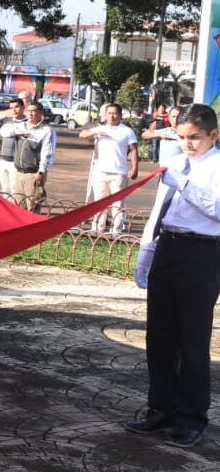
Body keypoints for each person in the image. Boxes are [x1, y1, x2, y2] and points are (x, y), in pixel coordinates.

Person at [129, 103, 220, 448]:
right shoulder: (178, 164)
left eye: (195, 137)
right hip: (169, 246)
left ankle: (191, 416)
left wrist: (183, 184)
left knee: (192, 339)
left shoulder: (216, 166)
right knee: (160, 335)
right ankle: (161, 408)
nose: (187, 143)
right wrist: (146, 253)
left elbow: (218, 210)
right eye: (182, 137)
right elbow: (158, 213)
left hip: (202, 251)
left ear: (214, 135)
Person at [80, 103, 139, 234]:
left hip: (119, 173)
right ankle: (97, 229)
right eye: (109, 113)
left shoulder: (127, 131)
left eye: (115, 113)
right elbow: (82, 135)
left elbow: (134, 150)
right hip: (101, 172)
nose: (112, 116)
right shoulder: (100, 128)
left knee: (117, 204)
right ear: (105, 115)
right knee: (100, 202)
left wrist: (134, 168)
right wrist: (95, 132)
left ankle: (116, 231)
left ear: (120, 115)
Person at [4, 101, 56, 211]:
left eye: (33, 111)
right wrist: (17, 133)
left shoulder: (46, 130)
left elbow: (47, 153)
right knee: (18, 207)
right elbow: (4, 131)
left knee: (32, 207)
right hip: (19, 172)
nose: (30, 114)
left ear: (40, 113)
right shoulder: (21, 125)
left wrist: (41, 172)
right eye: (29, 111)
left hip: (33, 174)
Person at [0, 98, 27, 194]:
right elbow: (3, 132)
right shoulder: (8, 121)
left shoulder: (27, 123)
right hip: (3, 160)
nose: (14, 110)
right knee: (5, 190)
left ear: (23, 107)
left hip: (16, 162)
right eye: (11, 108)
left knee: (15, 190)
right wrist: (15, 132)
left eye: (16, 107)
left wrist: (14, 132)